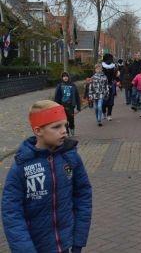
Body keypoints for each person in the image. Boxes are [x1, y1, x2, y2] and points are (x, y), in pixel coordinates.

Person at [1, 100, 92, 253]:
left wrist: (78, 240)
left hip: (66, 245)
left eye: (65, 125)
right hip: (35, 247)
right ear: (38, 131)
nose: (64, 131)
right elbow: (12, 213)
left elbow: (83, 196)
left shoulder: (70, 157)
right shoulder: (22, 166)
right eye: (56, 127)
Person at [54, 72, 81, 136]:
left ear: (68, 77)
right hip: (62, 105)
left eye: (66, 76)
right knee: (64, 120)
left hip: (71, 105)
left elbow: (77, 96)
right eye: (64, 76)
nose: (65, 77)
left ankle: (72, 128)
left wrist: (78, 106)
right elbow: (57, 97)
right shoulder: (60, 85)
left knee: (71, 119)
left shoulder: (73, 85)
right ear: (62, 78)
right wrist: (56, 106)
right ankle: (67, 132)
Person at [101, 53, 119, 121]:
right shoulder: (101, 66)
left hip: (111, 85)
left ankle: (109, 114)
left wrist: (117, 81)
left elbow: (116, 76)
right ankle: (104, 112)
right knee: (104, 101)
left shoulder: (114, 67)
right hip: (103, 86)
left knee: (111, 102)